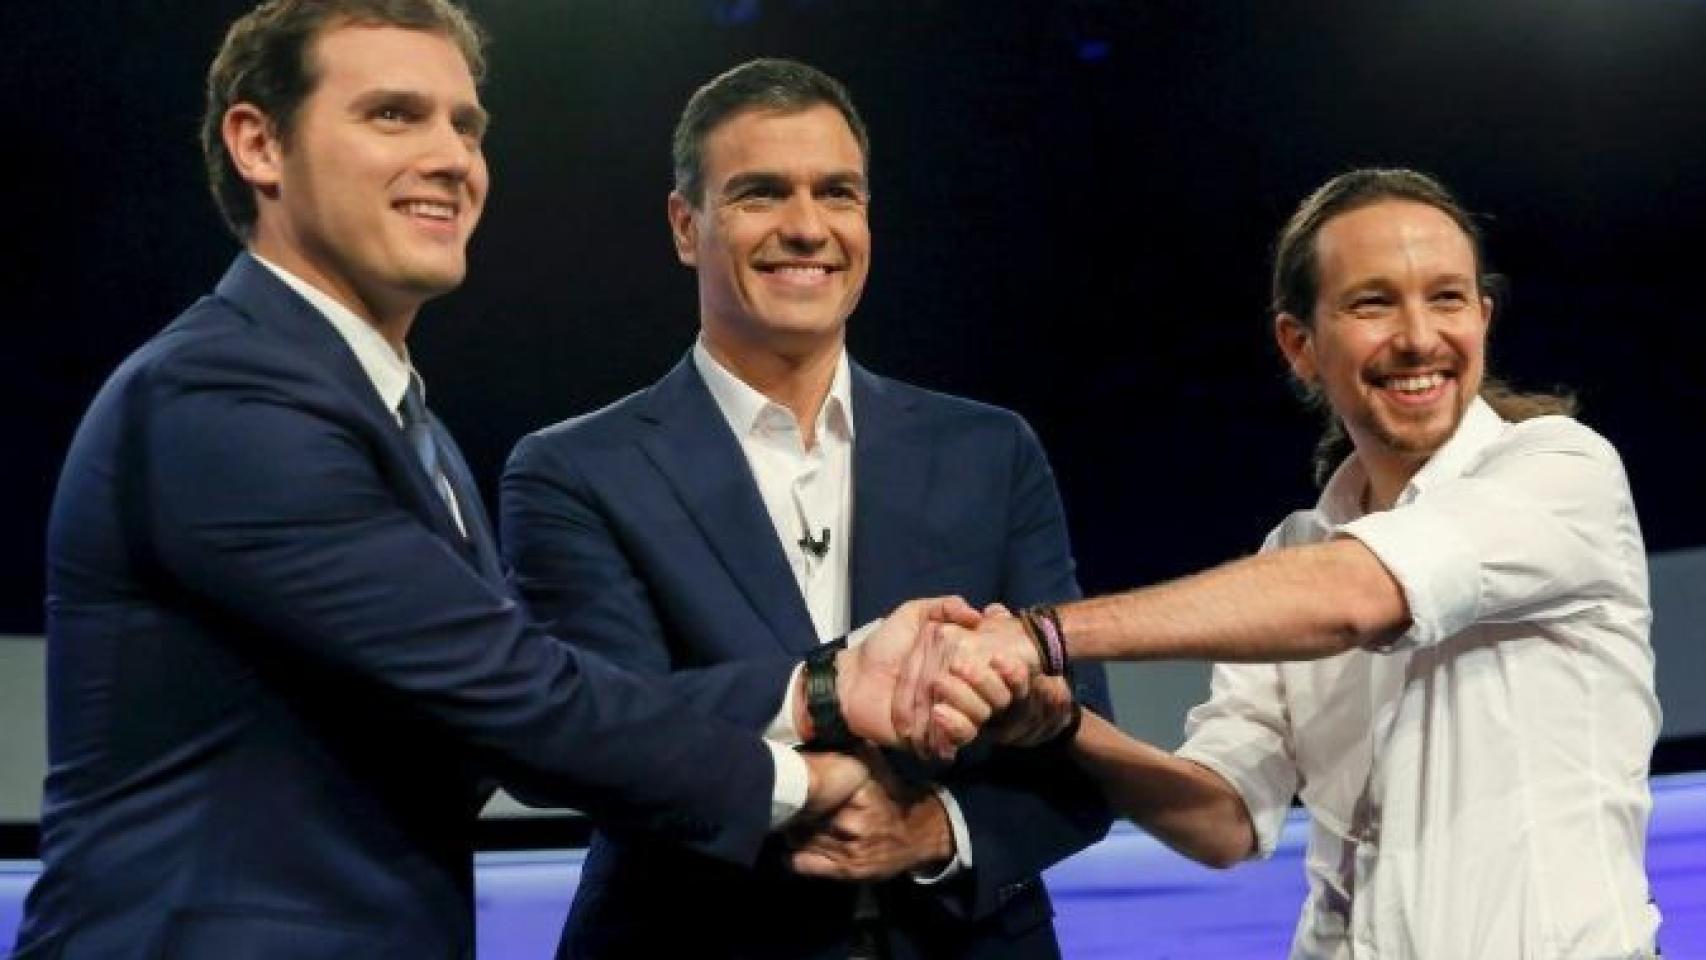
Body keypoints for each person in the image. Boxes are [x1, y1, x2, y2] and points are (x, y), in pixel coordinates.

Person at [11, 7, 1011, 958]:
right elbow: (512, 696)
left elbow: (504, 696)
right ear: (258, 145)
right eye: (392, 114)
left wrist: (822, 690)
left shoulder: (407, 427)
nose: (450, 157)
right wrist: (810, 755)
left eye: (465, 125)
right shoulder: (222, 399)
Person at [933, 169, 1661, 958]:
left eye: (1447, 298)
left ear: (1483, 320)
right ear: (1300, 345)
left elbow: (1358, 595)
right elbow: (1225, 821)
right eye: (1373, 303)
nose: (1419, 337)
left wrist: (1038, 637)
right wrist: (1066, 726)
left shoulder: (1562, 471)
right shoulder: (1293, 555)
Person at [501, 58, 1112, 960]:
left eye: (837, 193)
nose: (805, 227)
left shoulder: (990, 453)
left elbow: (1081, 738)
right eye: (759, 195)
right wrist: (826, 709)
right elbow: (599, 729)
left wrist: (938, 832)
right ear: (686, 225)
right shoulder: (573, 471)